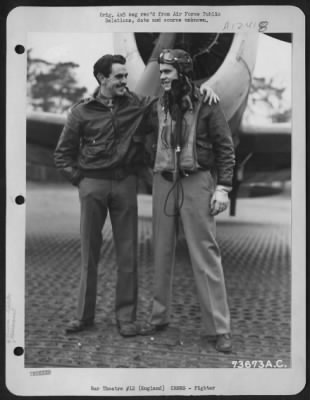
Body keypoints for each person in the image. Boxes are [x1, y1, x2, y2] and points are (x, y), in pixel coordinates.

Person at [54, 53, 218, 337]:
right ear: (102, 79)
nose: (124, 81)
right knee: (88, 253)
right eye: (118, 77)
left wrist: (202, 90)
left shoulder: (138, 104)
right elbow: (62, 154)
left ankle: (126, 319)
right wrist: (80, 181)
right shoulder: (81, 112)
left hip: (125, 183)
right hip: (92, 183)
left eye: (126, 76)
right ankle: (83, 316)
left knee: (128, 253)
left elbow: (173, 99)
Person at [140, 49, 235, 353]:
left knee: (205, 254)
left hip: (198, 182)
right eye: (161, 72)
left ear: (181, 72)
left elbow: (225, 148)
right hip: (164, 182)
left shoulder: (208, 104)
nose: (162, 77)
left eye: (167, 72)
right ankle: (158, 318)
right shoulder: (155, 106)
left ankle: (219, 329)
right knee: (161, 252)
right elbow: (140, 135)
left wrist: (223, 188)